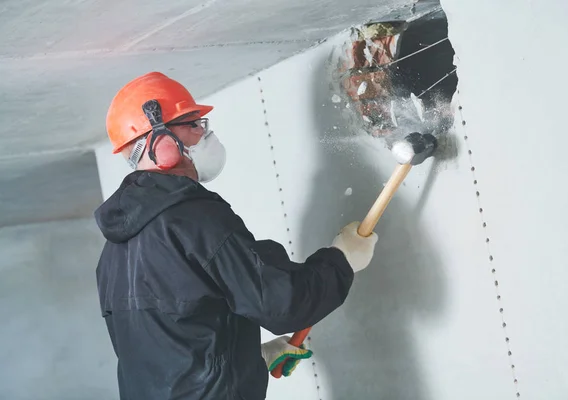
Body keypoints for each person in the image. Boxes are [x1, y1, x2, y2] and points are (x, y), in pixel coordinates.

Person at [94, 71, 378, 400]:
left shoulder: (114, 251)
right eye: (194, 125)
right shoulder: (193, 218)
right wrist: (341, 261)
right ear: (160, 141)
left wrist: (249, 359)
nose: (204, 135)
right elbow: (283, 304)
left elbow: (170, 346)